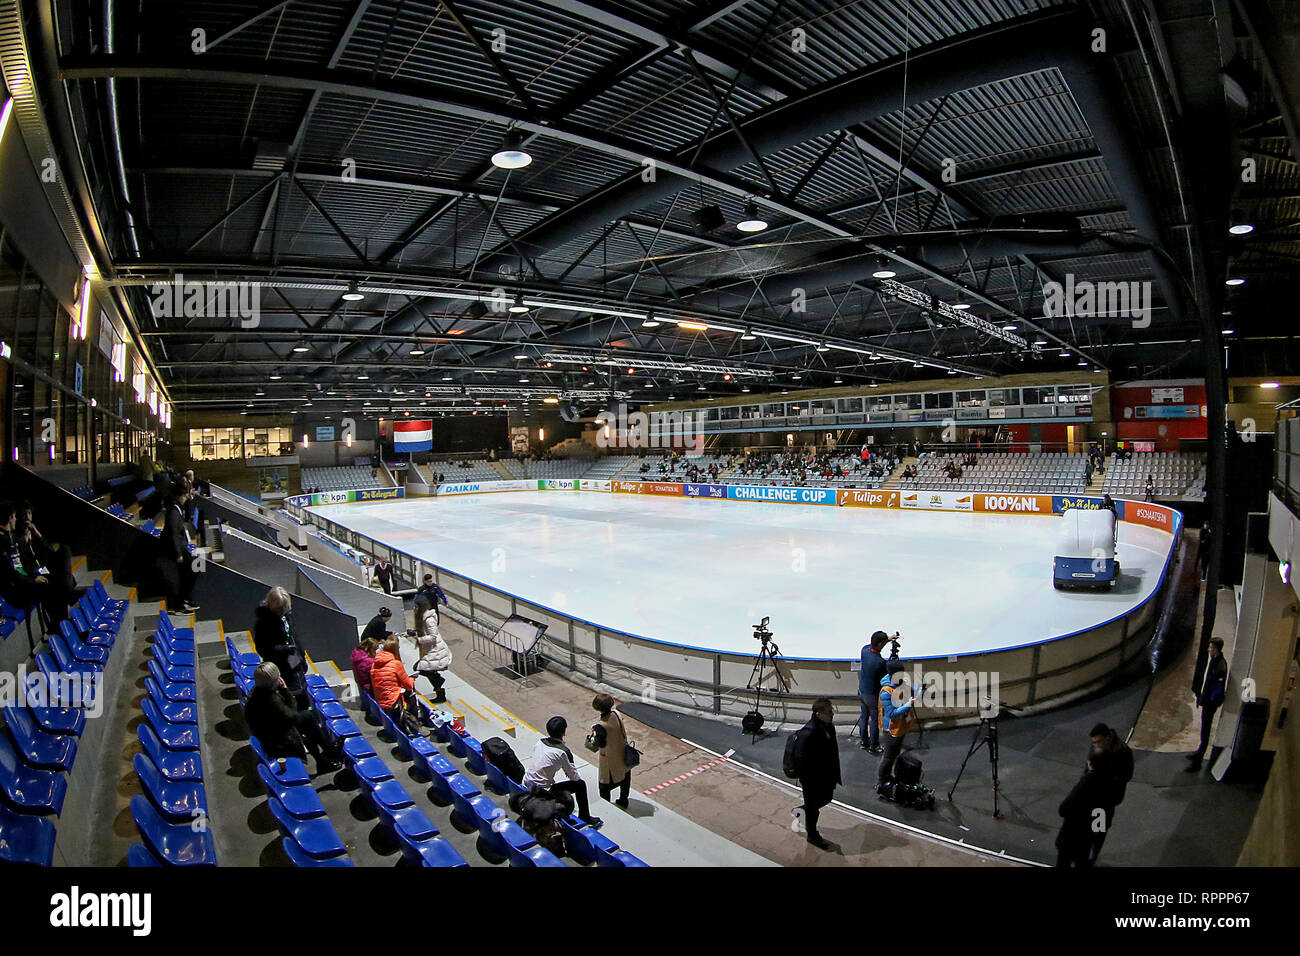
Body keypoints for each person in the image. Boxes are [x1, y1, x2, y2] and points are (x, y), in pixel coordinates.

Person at [244, 662, 341, 775]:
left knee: (308, 720)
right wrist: (285, 690)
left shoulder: (257, 691)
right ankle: (327, 752)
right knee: (307, 721)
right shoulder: (271, 699)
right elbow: (292, 715)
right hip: (275, 739)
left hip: (269, 728)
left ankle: (325, 754)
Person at [524, 716, 602, 828]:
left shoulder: (539, 743)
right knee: (580, 784)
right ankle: (585, 816)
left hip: (527, 783)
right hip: (542, 792)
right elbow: (574, 777)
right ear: (564, 732)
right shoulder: (562, 752)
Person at [0, 501, 65, 628]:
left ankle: (62, 626)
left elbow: (19, 568)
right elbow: (13, 572)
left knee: (54, 579)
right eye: (15, 516)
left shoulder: (10, 537)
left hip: (24, 580)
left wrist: (33, 576)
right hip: (14, 591)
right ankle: (59, 628)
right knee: (47, 586)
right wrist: (33, 580)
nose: (16, 520)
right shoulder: (5, 541)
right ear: (10, 518)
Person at [790, 698, 841, 850]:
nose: (832, 714)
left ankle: (802, 810)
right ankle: (812, 835)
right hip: (812, 778)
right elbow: (800, 758)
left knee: (826, 797)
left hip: (827, 774)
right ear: (818, 713)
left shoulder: (828, 727)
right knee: (813, 808)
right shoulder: (809, 733)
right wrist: (808, 777)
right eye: (829, 711)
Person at [252, 587, 310, 710]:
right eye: (280, 608)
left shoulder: (287, 616)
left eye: (285, 607)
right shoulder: (263, 624)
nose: (283, 611)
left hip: (293, 659)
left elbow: (294, 637)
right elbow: (263, 649)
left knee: (302, 695)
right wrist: (284, 649)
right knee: (290, 701)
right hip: (280, 665)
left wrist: (301, 656)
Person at [1087, 723, 1133, 863]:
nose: (1096, 745)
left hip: (1105, 799)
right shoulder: (1097, 747)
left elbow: (1126, 775)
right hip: (1092, 795)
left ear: (1108, 738)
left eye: (1098, 742)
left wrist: (1107, 779)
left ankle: (1093, 854)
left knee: (1098, 828)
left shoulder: (1122, 752)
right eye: (1094, 743)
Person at [1055, 747, 1108, 867]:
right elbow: (1100, 825)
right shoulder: (1106, 788)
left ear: (1090, 763)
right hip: (1086, 843)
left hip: (1070, 838)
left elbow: (1063, 810)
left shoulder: (1083, 785)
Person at [1187, 637, 1228, 772]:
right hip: (1208, 701)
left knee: (1205, 730)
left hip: (1210, 704)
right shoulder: (1215, 661)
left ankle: (1198, 761)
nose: (1208, 649)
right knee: (1204, 729)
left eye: (1210, 647)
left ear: (1216, 649)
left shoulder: (1220, 666)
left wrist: (1209, 701)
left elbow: (1217, 688)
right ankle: (1199, 752)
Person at [876, 660, 916, 790]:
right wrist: (909, 704)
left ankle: (889, 776)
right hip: (891, 729)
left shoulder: (900, 682)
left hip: (901, 725)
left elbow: (910, 688)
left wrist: (919, 690)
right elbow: (892, 713)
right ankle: (882, 780)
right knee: (888, 756)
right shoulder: (886, 692)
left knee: (895, 753)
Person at [161, 481, 200, 613]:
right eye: (185, 495)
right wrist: (178, 554)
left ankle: (186, 597)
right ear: (179, 495)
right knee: (193, 569)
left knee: (197, 566)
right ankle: (180, 603)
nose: (186, 498)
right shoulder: (173, 511)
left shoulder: (177, 509)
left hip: (181, 547)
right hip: (174, 551)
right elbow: (173, 533)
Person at [589, 693, 632, 808]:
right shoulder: (616, 714)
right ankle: (623, 800)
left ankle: (607, 807)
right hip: (622, 754)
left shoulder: (600, 726)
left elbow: (594, 746)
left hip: (609, 760)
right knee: (625, 778)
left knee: (604, 786)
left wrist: (592, 736)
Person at [370, 635, 417, 726]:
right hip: (393, 701)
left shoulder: (374, 664)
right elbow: (408, 685)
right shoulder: (396, 664)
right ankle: (414, 724)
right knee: (412, 695)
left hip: (380, 699)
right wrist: (412, 678)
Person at [857, 631, 891, 753]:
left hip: (861, 691)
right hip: (872, 695)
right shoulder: (880, 662)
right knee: (875, 720)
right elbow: (885, 679)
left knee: (864, 717)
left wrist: (888, 639)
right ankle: (874, 745)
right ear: (880, 643)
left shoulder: (864, 650)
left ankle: (863, 741)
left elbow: (875, 645)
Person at [408, 626, 450, 703]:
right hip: (432, 652)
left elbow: (432, 637)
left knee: (421, 669)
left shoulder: (428, 619)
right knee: (422, 669)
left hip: (436, 653)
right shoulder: (424, 619)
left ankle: (439, 688)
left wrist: (418, 638)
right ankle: (439, 686)